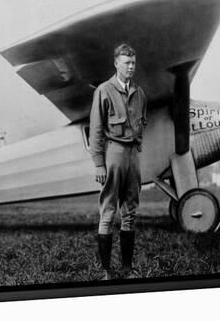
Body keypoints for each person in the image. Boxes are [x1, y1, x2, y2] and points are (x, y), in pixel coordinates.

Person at [89, 43, 147, 280]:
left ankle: (127, 268)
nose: (131, 67)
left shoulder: (140, 93)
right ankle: (106, 272)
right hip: (113, 153)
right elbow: (96, 129)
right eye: (126, 63)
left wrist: (137, 147)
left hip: (133, 154)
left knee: (130, 211)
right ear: (116, 64)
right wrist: (99, 163)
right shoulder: (104, 90)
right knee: (108, 211)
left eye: (133, 63)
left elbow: (143, 122)